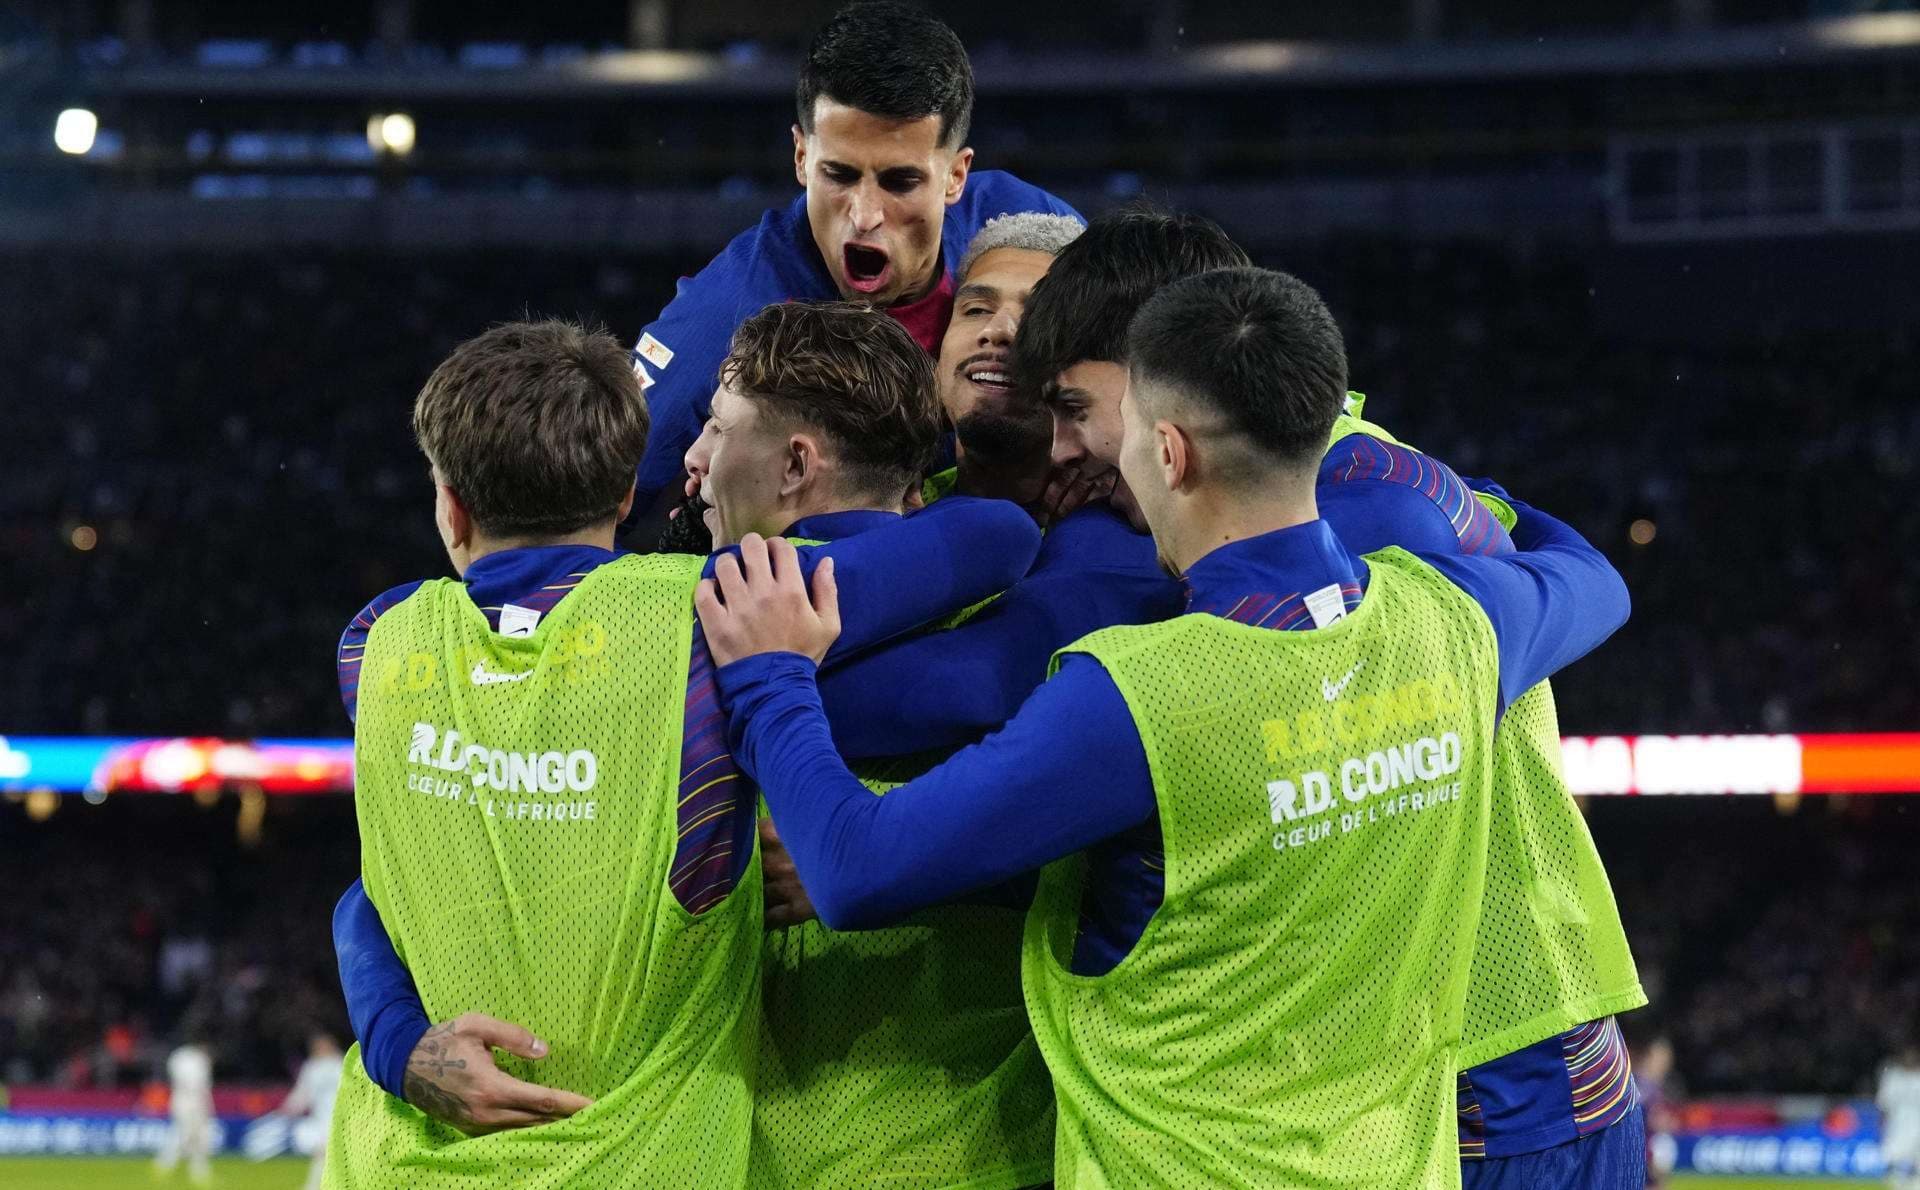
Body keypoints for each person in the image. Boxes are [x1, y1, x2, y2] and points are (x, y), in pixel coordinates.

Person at [698, 266, 1632, 1184]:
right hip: (1402, 1158)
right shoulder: (1456, 623)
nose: (1081, 455)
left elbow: (856, 871)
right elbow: (1596, 578)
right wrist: (1472, 495)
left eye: (1108, 426)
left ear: (1170, 453)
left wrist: (773, 678)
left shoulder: (1137, 693)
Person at [323, 318, 1038, 1189]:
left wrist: (394, 1041)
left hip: (396, 1162)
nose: (697, 456)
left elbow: (372, 892)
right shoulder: (701, 620)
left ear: (450, 505)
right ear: (628, 493)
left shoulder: (375, 641)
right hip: (653, 1163)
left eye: (717, 428)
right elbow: (993, 539)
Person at [630, 0, 1077, 523]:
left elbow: (1138, 367)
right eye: (839, 175)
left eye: (900, 181)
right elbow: (602, 504)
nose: (864, 216)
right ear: (802, 158)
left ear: (955, 176)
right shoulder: (726, 310)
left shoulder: (1022, 232)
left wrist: (1103, 458)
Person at [272, 1032, 344, 1190]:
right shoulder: (312, 1067)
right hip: (321, 1118)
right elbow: (303, 1092)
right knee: (323, 1152)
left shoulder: (341, 1064)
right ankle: (318, 1185)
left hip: (341, 1116)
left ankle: (317, 1185)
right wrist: (289, 1108)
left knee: (328, 1153)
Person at [154, 1034, 215, 1186]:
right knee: (185, 1134)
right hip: (187, 1099)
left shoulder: (180, 1056)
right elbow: (194, 1083)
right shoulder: (191, 1058)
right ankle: (165, 1164)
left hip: (187, 1099)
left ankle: (198, 1171)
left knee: (197, 1136)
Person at [1880, 1045, 1920, 1190]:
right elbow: (1883, 1104)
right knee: (1893, 1157)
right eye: (1907, 1057)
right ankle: (1895, 1184)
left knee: (1916, 1162)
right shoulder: (1893, 1078)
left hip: (1918, 1125)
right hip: (1897, 1125)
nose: (1910, 1060)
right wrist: (1883, 1124)